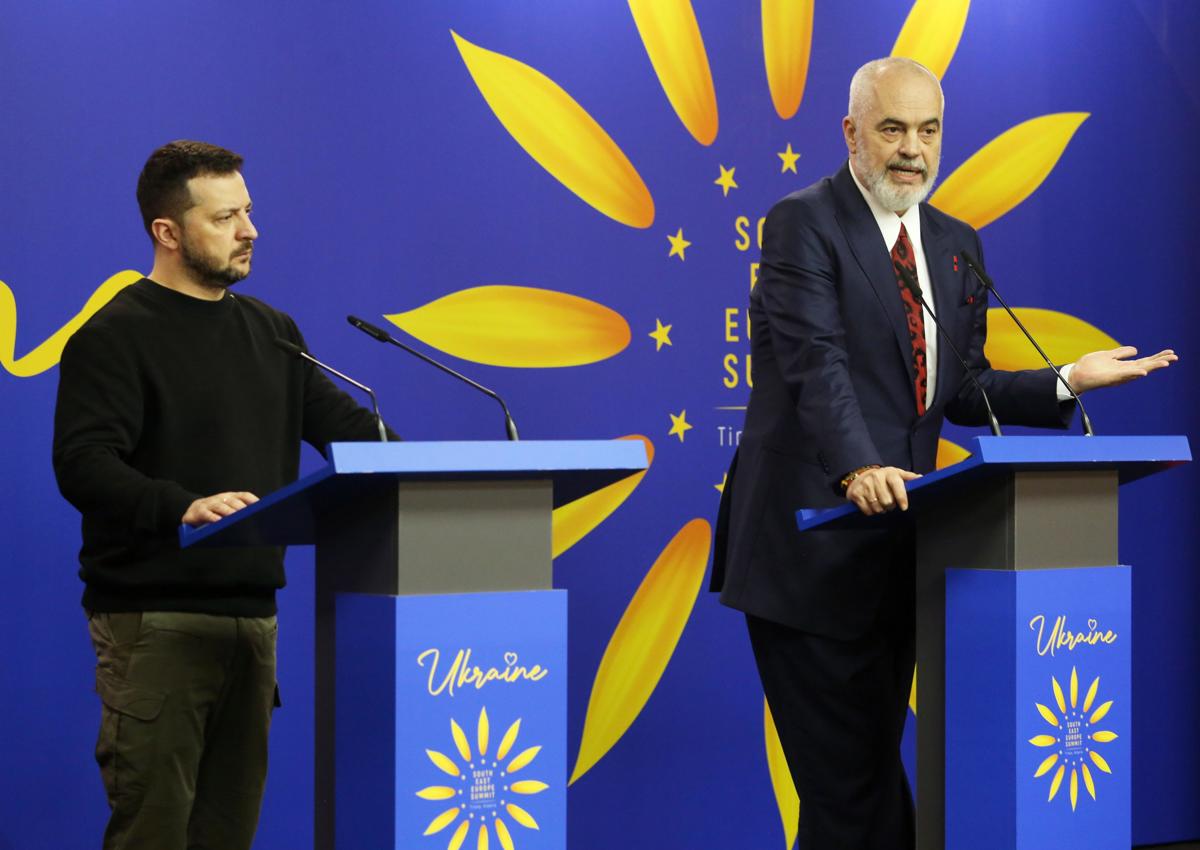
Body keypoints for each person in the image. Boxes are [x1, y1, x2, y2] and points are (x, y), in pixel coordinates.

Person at [710, 58, 1175, 849]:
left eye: (928, 131)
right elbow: (814, 363)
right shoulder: (803, 222)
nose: (912, 151)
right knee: (850, 795)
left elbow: (961, 389)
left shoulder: (956, 246)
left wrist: (1065, 379)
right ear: (851, 133)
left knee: (856, 792)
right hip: (807, 554)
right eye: (892, 129)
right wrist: (857, 465)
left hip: (897, 560)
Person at [52, 140, 393, 850]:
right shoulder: (114, 337)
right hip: (157, 624)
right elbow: (83, 465)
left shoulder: (272, 334)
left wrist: (431, 465)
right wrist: (182, 504)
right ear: (167, 233)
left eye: (249, 212)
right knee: (154, 835)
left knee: (227, 837)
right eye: (226, 217)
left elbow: (350, 434)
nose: (250, 231)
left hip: (253, 625)